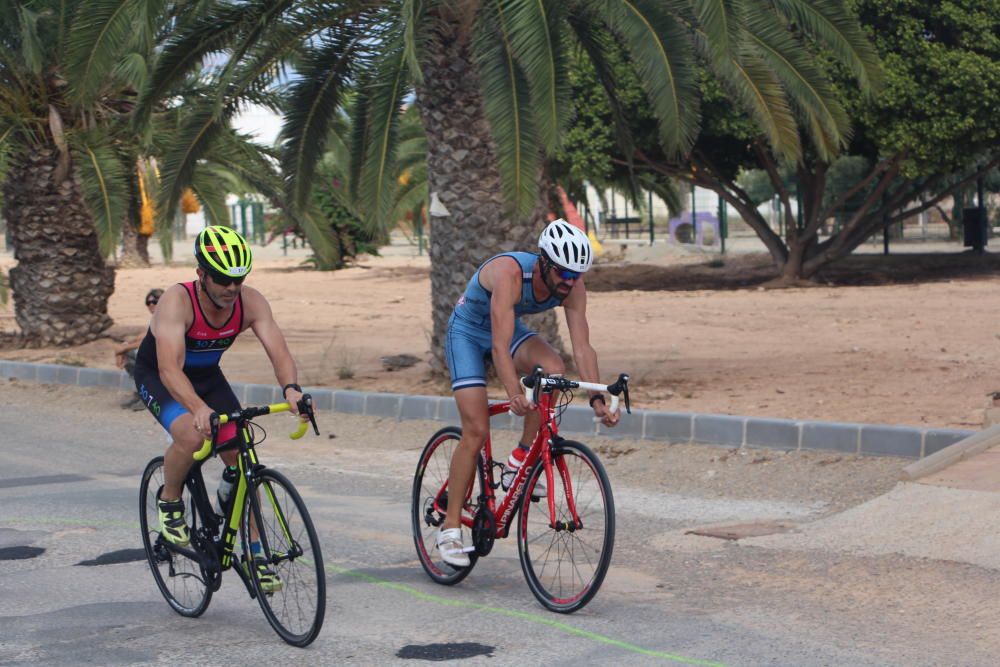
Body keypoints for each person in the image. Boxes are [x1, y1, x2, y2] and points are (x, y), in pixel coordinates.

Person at [436, 219, 620, 567]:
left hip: (506, 332)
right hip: (467, 333)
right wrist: (514, 392)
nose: (569, 283)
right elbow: (500, 346)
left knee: (552, 369)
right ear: (545, 263)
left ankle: (523, 454)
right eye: (564, 274)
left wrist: (597, 397)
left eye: (576, 276)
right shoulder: (509, 273)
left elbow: (582, 348)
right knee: (476, 430)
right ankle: (449, 529)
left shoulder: (573, 286)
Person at [133, 225, 304, 591]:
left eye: (238, 279)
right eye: (223, 279)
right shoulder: (177, 302)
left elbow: (279, 349)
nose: (232, 288)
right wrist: (196, 408)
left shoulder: (250, 302)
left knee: (242, 459)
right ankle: (170, 502)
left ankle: (256, 552)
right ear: (201, 274)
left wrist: (292, 390)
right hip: (161, 376)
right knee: (191, 437)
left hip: (208, 377)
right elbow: (168, 368)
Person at [115, 288, 162, 409]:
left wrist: (124, 349)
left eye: (155, 301)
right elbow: (144, 335)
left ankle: (150, 396)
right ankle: (142, 393)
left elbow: (149, 341)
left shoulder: (167, 318)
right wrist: (124, 345)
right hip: (159, 354)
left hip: (170, 358)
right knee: (130, 353)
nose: (151, 305)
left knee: (135, 354)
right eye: (148, 302)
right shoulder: (157, 319)